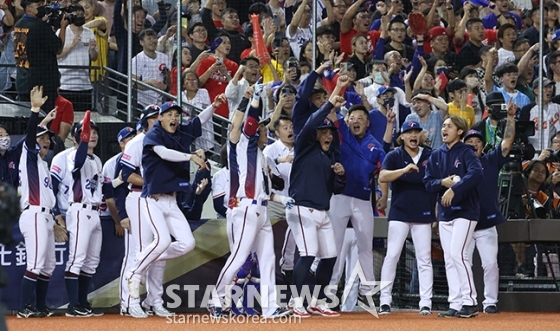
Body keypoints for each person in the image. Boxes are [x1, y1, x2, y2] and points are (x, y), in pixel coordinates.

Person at [126, 98, 225, 305]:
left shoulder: (180, 131)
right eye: (169, 114)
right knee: (162, 241)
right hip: (152, 199)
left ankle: (143, 261)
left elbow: (200, 121)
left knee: (187, 244)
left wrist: (214, 106)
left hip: (171, 200)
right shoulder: (153, 135)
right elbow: (163, 153)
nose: (174, 117)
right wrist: (190, 157)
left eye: (176, 114)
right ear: (160, 118)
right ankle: (135, 271)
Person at [209, 85, 291, 319]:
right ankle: (216, 301)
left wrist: (284, 199)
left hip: (261, 209)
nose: (266, 133)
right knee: (237, 258)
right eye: (263, 130)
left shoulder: (261, 156)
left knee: (268, 259)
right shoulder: (244, 143)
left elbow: (267, 190)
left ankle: (270, 307)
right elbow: (250, 123)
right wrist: (252, 101)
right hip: (245, 207)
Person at [286, 77, 347, 317]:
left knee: (330, 257)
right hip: (302, 208)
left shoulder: (330, 158)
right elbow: (310, 122)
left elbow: (337, 189)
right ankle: (295, 301)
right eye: (323, 131)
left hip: (322, 211)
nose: (328, 135)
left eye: (329, 131)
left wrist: (341, 176)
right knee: (308, 253)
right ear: (315, 134)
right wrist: (334, 97)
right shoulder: (304, 146)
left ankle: (318, 301)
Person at [424, 115, 484, 319]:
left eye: (449, 126)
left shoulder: (466, 152)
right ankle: (456, 303)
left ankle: (470, 301)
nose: (444, 128)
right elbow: (428, 182)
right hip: (446, 213)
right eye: (443, 125)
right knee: (450, 258)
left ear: (460, 131)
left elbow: (477, 174)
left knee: (458, 254)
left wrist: (454, 189)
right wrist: (442, 183)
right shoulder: (436, 155)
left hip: (466, 211)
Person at [328, 103, 386, 308]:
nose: (356, 121)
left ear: (368, 123)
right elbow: (331, 113)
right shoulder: (342, 132)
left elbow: (384, 172)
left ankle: (367, 291)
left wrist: (384, 194)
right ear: (347, 121)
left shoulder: (374, 145)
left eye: (361, 118)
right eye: (353, 117)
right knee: (334, 245)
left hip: (362, 199)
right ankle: (330, 290)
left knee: (365, 245)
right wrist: (339, 90)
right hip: (339, 196)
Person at [17, 86, 66, 318]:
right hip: (33, 213)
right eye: (43, 138)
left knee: (48, 266)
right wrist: (35, 111)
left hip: (45, 215)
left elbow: (51, 199)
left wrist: (45, 121)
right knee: (35, 264)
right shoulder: (28, 157)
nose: (46, 141)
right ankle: (24, 308)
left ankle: (39, 306)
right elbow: (29, 136)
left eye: (48, 138)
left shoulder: (44, 165)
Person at [378, 119, 436, 315]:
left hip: (423, 213)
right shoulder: (395, 155)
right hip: (400, 213)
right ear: (401, 136)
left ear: (420, 135)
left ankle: (426, 302)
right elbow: (382, 176)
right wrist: (403, 171)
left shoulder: (430, 155)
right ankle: (385, 300)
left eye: (416, 132)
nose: (413, 135)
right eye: (409, 132)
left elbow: (437, 181)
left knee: (424, 259)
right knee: (392, 255)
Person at [463, 99, 516, 315]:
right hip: (463, 222)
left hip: (485, 223)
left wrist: (511, 118)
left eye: (477, 141)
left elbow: (508, 141)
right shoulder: (457, 162)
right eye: (470, 141)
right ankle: (466, 301)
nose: (474, 143)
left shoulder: (491, 160)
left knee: (490, 264)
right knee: (462, 264)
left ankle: (490, 302)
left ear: (482, 146)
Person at [62, 110, 104, 317]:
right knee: (77, 258)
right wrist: (83, 138)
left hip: (95, 212)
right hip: (80, 210)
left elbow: (100, 187)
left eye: (94, 131)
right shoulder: (73, 155)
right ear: (78, 137)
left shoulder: (97, 160)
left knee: (91, 261)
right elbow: (78, 163)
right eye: (88, 132)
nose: (92, 135)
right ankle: (72, 306)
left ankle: (82, 302)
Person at [14, 0, 68, 113]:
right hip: (42, 86)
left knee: (27, 121)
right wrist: (63, 27)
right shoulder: (40, 27)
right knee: (44, 124)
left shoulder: (18, 24)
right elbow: (58, 49)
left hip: (23, 81)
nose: (42, 7)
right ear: (28, 8)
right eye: (38, 5)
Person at [56, 4, 98, 112]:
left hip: (84, 85)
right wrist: (71, 45)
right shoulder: (62, 32)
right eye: (77, 14)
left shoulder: (89, 33)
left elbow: (94, 58)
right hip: (65, 85)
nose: (79, 16)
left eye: (81, 14)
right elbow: (57, 55)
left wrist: (93, 49)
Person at [131, 28, 171, 107]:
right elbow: (134, 83)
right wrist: (151, 83)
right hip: (142, 103)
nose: (153, 41)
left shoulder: (164, 58)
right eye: (149, 38)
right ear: (141, 42)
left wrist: (166, 86)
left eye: (154, 38)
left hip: (161, 102)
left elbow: (169, 78)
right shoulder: (137, 59)